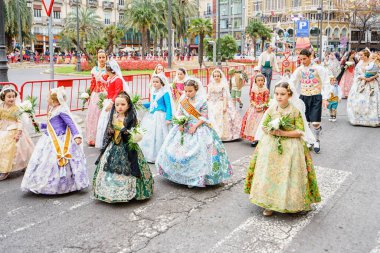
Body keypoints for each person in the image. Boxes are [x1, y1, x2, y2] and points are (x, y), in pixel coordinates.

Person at [244, 82, 321, 216]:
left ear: (289, 95)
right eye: (277, 94)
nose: (279, 97)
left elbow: (300, 131)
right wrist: (271, 130)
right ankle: (269, 204)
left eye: (282, 94)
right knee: (270, 173)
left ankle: (291, 202)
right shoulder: (272, 109)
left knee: (288, 174)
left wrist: (283, 133)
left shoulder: (295, 111)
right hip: (271, 144)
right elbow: (263, 125)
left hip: (291, 146)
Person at [156, 78, 232, 188]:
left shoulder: (202, 101)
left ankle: (196, 178)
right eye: (186, 91)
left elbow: (204, 116)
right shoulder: (183, 101)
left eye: (190, 91)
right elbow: (180, 113)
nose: (187, 93)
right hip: (184, 127)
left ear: (196, 89)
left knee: (199, 153)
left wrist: (195, 126)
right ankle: (180, 175)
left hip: (198, 128)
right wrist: (180, 124)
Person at [21, 87, 89, 194]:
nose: (47, 100)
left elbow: (70, 123)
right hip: (50, 138)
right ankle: (46, 182)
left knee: (57, 162)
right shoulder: (53, 109)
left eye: (48, 98)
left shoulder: (62, 110)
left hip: (60, 139)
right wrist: (39, 125)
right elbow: (51, 125)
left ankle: (63, 184)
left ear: (55, 100)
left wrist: (76, 135)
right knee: (45, 161)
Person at [93, 91, 153, 203]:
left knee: (130, 165)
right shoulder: (114, 115)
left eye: (123, 104)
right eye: (117, 105)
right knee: (110, 166)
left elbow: (135, 132)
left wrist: (131, 134)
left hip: (127, 146)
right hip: (114, 145)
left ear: (128, 105)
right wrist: (111, 131)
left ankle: (131, 190)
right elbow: (109, 128)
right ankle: (110, 191)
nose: (119, 107)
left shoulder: (130, 117)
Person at [289, 48, 330, 153]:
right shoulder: (299, 69)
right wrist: (293, 95)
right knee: (305, 122)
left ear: (310, 57)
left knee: (315, 122)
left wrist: (325, 98)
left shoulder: (319, 69)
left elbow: (326, 82)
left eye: (304, 59)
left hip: (316, 96)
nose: (302, 61)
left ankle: (317, 140)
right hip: (304, 97)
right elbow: (293, 82)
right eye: (301, 59)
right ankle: (308, 140)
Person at [0, 86, 34, 181]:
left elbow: (20, 122)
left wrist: (18, 133)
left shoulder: (16, 109)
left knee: (13, 150)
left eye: (13, 96)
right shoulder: (1, 106)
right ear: (3, 97)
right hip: (3, 128)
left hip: (13, 130)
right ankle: (2, 167)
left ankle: (5, 170)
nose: (12, 99)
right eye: (9, 97)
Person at [139, 73, 174, 163]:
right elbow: (152, 104)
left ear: (162, 83)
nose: (154, 83)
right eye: (153, 82)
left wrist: (168, 117)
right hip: (152, 116)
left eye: (157, 82)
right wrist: (141, 104)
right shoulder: (154, 92)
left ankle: (160, 156)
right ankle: (150, 154)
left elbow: (168, 106)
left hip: (161, 116)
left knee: (159, 134)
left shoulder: (165, 92)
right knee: (151, 135)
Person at [95, 60, 129, 148]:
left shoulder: (117, 79)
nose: (105, 71)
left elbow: (118, 92)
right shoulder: (110, 78)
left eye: (106, 69)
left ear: (110, 70)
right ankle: (105, 142)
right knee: (104, 121)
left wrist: (111, 103)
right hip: (108, 100)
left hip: (114, 103)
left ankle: (113, 141)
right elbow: (103, 80)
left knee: (111, 121)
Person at [347, 50, 380, 127]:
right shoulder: (359, 64)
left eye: (361, 55)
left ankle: (371, 119)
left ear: (366, 55)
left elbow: (378, 73)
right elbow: (356, 74)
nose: (360, 57)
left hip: (372, 82)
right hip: (361, 82)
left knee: (372, 101)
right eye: (360, 55)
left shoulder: (373, 62)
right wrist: (363, 78)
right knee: (358, 100)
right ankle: (358, 119)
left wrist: (372, 77)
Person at [207, 69, 241, 141]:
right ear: (213, 77)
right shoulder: (210, 85)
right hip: (211, 103)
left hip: (220, 102)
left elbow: (225, 96)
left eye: (218, 76)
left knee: (221, 118)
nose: (216, 77)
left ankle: (223, 135)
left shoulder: (223, 85)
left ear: (220, 76)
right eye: (215, 76)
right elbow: (208, 95)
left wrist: (225, 106)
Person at [85, 49, 108, 146]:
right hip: (95, 95)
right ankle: (93, 138)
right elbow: (92, 83)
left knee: (102, 117)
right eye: (100, 57)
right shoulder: (94, 70)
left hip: (105, 94)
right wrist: (88, 94)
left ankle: (102, 138)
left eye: (103, 57)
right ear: (97, 58)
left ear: (106, 58)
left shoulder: (109, 69)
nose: (102, 59)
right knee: (93, 116)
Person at [240, 74, 270, 147]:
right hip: (254, 107)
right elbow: (251, 100)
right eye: (258, 80)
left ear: (264, 81)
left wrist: (262, 106)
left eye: (262, 80)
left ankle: (260, 138)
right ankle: (253, 139)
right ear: (256, 82)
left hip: (262, 108)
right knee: (251, 121)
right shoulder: (253, 90)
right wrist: (255, 105)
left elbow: (266, 101)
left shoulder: (266, 90)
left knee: (260, 123)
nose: (260, 82)